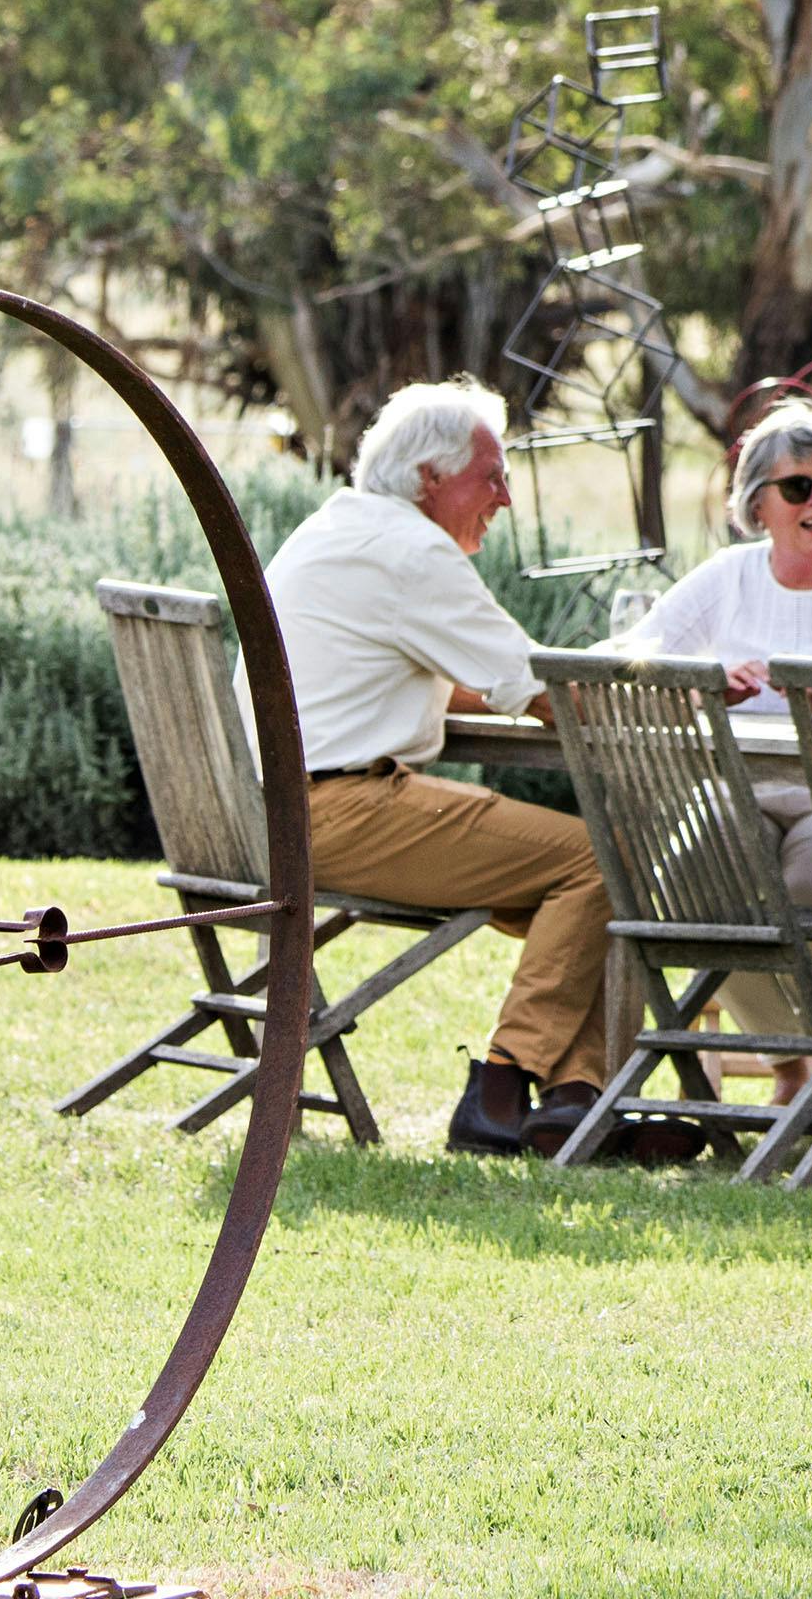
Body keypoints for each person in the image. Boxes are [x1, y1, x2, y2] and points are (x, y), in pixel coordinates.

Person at [263, 377, 613, 1159]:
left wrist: (531, 695)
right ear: (431, 477)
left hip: (283, 813)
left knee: (585, 906)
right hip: (338, 812)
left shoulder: (342, 527)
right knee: (598, 863)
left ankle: (575, 1103)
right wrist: (664, 703)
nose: (506, 499)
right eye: (492, 477)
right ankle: (504, 1084)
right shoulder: (412, 550)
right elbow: (541, 689)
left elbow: (468, 680)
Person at [614, 400, 812, 1046]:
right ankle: (799, 1065)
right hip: (743, 786)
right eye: (798, 486)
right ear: (757, 505)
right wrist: (708, 683)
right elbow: (624, 654)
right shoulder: (727, 577)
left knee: (811, 888)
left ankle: (811, 1063)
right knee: (694, 884)